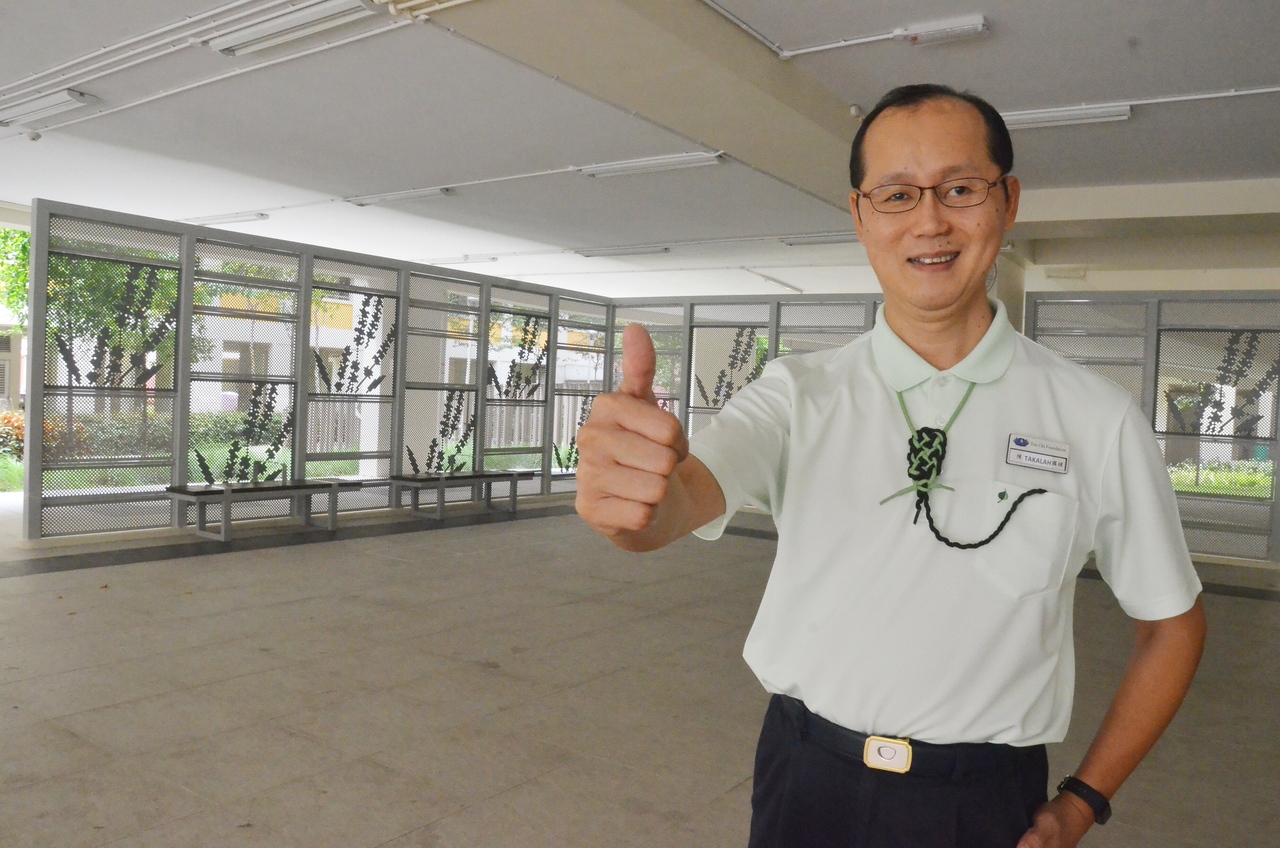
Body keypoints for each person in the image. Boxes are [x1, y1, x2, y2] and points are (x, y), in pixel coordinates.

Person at [574, 83, 1206, 848]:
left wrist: (1083, 801)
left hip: (983, 804)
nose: (929, 221)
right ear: (860, 215)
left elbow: (1172, 626)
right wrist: (633, 508)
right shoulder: (797, 394)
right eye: (897, 195)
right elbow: (680, 502)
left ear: (1007, 202)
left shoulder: (1095, 418)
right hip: (803, 781)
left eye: (960, 189)